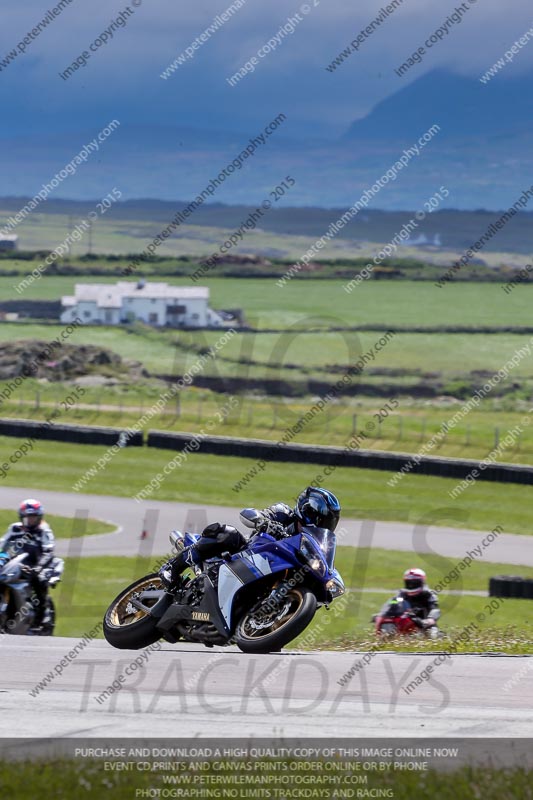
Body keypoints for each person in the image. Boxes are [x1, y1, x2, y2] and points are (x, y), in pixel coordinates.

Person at [161, 486, 341, 588]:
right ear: (309, 510)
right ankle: (172, 567)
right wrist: (265, 522)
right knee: (228, 534)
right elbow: (248, 514)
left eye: (329, 521)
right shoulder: (283, 512)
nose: (324, 524)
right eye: (323, 519)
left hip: (274, 569)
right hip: (246, 554)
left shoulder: (310, 544)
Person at [0, 499, 62, 630]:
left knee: (38, 580)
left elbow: (48, 551)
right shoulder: (14, 529)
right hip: (15, 564)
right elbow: (2, 546)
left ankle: (40, 618)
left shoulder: (44, 531)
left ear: (40, 517)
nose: (31, 521)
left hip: (37, 565)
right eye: (28, 518)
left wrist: (38, 567)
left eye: (34, 517)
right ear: (22, 517)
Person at [398, 568, 441, 632]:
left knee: (433, 633)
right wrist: (383, 614)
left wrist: (430, 620)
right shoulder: (402, 594)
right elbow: (394, 602)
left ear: (421, 582)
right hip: (405, 623)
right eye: (408, 583)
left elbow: (435, 609)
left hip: (424, 625)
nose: (411, 585)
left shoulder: (428, 594)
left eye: (414, 583)